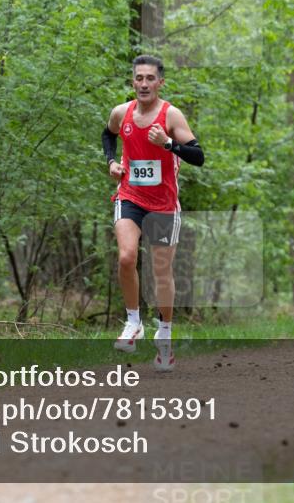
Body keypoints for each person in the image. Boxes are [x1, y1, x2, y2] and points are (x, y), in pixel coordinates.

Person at [102, 55, 204, 372]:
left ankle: (165, 335)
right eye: (138, 78)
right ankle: (133, 323)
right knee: (126, 257)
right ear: (133, 82)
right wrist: (111, 163)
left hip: (163, 203)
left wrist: (169, 144)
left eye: (150, 78)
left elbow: (198, 156)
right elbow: (108, 135)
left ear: (160, 82)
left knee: (161, 272)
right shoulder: (122, 112)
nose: (144, 84)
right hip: (130, 195)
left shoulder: (171, 115)